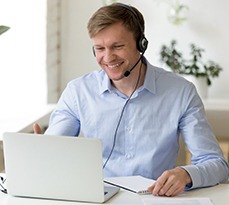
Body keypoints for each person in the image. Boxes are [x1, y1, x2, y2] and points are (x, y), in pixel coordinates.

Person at [34, 3, 228, 197]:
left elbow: (217, 165)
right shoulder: (78, 92)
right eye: (99, 48)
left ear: (141, 44)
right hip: (96, 198)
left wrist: (186, 174)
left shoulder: (181, 92)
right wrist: (40, 151)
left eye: (117, 46)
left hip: (154, 199)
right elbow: (53, 151)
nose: (108, 57)